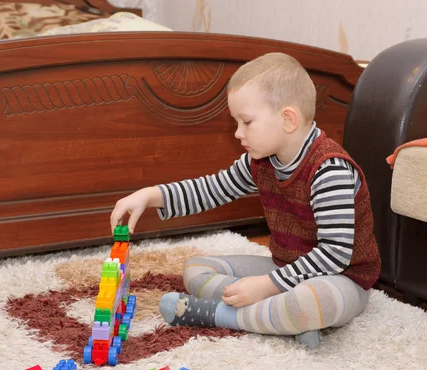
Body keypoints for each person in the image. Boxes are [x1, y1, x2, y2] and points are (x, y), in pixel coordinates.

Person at [109, 52, 381, 349]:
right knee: (195, 269)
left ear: (287, 119)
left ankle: (223, 316)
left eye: (246, 122)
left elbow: (334, 254)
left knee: (311, 300)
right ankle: (280, 318)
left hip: (342, 278)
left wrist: (266, 285)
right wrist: (150, 196)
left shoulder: (329, 170)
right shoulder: (259, 160)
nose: (238, 133)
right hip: (285, 267)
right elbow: (210, 189)